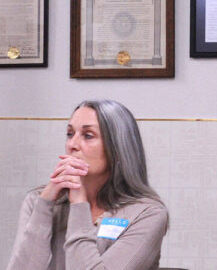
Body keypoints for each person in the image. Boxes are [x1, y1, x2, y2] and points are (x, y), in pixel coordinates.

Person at [8, 100, 168, 270]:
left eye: (88, 135)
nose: (72, 145)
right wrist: (45, 204)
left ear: (118, 149)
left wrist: (78, 204)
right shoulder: (37, 200)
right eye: (70, 134)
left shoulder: (148, 213)